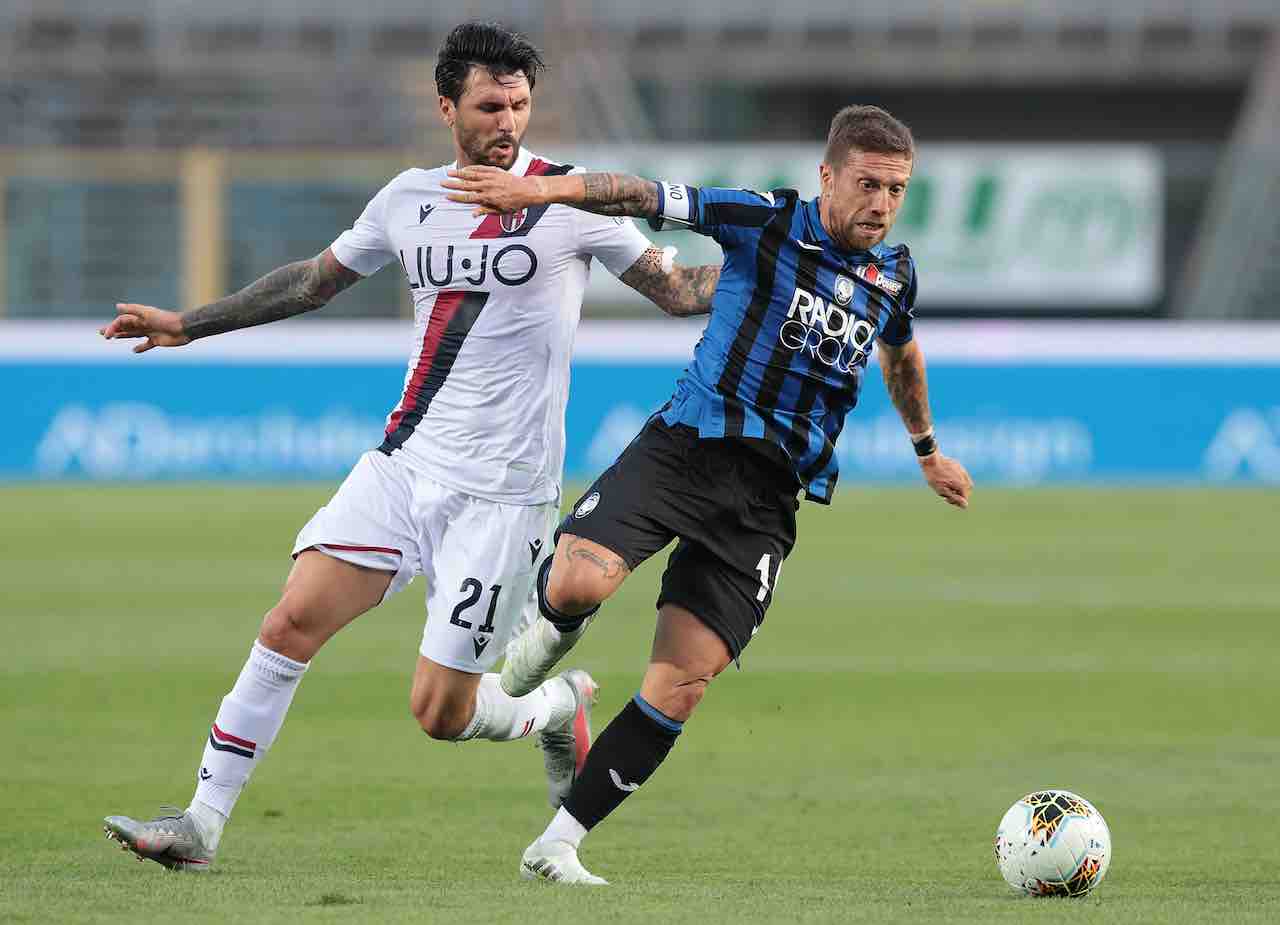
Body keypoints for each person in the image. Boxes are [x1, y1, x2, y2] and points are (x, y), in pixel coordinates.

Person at [97, 21, 720, 872]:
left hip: (503, 499)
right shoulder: (407, 198)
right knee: (290, 620)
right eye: (490, 104)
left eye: (521, 105)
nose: (508, 121)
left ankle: (552, 709)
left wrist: (779, 265)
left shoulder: (569, 202)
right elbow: (315, 281)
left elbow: (680, 290)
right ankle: (200, 824)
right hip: (405, 466)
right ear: (447, 107)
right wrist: (187, 324)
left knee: (441, 711)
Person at [443, 103, 974, 884]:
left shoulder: (894, 273)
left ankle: (556, 842)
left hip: (766, 500)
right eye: (869, 184)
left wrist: (926, 448)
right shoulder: (763, 222)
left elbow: (901, 353)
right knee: (578, 580)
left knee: (682, 682)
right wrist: (545, 194)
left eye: (897, 189)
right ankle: (536, 669)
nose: (883, 204)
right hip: (687, 447)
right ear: (828, 176)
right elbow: (645, 195)